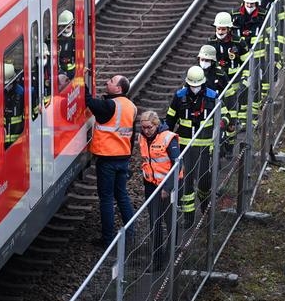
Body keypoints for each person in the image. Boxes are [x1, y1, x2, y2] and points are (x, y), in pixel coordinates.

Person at [166, 66, 228, 228]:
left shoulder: (212, 97)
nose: (195, 88)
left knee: (203, 183)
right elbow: (170, 119)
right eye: (192, 85)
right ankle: (188, 218)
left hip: (205, 149)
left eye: (197, 85)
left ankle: (205, 204)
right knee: (186, 183)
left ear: (203, 83)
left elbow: (225, 115)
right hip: (185, 148)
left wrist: (223, 125)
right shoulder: (179, 97)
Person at [86, 74, 137, 248]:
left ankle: (107, 240)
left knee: (106, 199)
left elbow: (89, 102)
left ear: (119, 89)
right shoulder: (131, 106)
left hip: (107, 159)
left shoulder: (110, 105)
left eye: (111, 81)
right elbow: (132, 134)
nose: (107, 82)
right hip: (123, 158)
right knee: (122, 195)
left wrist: (80, 83)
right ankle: (131, 233)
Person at [139, 111, 182, 272]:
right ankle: (156, 260)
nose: (146, 130)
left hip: (168, 185)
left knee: (170, 221)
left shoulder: (168, 138)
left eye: (149, 127)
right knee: (154, 222)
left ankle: (172, 254)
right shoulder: (142, 137)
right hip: (151, 185)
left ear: (156, 125)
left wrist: (167, 187)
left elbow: (177, 164)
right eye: (143, 128)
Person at [232, 0, 267, 127]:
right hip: (240, 58)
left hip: (257, 58)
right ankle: (241, 119)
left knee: (255, 86)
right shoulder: (235, 16)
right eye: (247, 4)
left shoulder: (263, 16)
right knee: (241, 87)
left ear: (256, 4)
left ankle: (253, 119)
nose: (249, 6)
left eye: (252, 4)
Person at [3, 63, 24, 148]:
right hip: (2, 141)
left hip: (18, 140)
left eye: (8, 84)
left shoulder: (21, 92)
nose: (6, 87)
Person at [57, 10, 76, 79]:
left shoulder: (76, 38)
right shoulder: (54, 38)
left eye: (67, 27)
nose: (65, 30)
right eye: (62, 27)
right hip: (59, 71)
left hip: (73, 71)